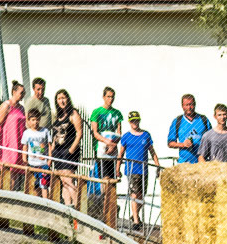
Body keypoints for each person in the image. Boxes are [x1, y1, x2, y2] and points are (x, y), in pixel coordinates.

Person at [118, 111, 161, 230]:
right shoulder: (126, 136)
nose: (135, 123)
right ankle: (136, 221)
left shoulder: (146, 135)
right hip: (131, 169)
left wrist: (157, 165)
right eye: (132, 121)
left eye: (136, 120)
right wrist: (117, 168)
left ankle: (134, 214)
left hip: (143, 170)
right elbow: (121, 153)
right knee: (134, 194)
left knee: (142, 196)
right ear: (129, 122)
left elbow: (152, 151)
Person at [88, 86, 123, 222]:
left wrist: (113, 144)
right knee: (104, 179)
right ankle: (104, 208)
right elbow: (95, 132)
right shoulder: (97, 112)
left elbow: (119, 132)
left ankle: (110, 208)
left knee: (112, 180)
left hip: (112, 149)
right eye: (108, 96)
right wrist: (107, 142)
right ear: (103, 97)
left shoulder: (117, 113)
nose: (110, 99)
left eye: (112, 97)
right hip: (102, 148)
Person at [48, 88, 83, 205]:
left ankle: (78, 207)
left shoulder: (73, 114)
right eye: (59, 99)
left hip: (68, 152)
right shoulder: (58, 116)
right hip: (58, 152)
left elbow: (79, 133)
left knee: (68, 180)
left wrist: (71, 149)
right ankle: (68, 207)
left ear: (67, 99)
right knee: (63, 182)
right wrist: (52, 150)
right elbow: (55, 135)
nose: (61, 101)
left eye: (63, 98)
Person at [0, 81, 27, 192]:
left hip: (19, 143)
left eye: (24, 93)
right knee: (8, 171)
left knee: (16, 172)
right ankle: (5, 195)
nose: (23, 95)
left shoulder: (21, 108)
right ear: (14, 92)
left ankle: (13, 195)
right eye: (21, 92)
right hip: (8, 143)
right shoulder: (6, 105)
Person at [167, 94, 208, 164]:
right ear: (182, 106)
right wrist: (183, 144)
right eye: (186, 105)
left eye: (191, 104)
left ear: (195, 104)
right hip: (184, 164)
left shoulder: (203, 119)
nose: (189, 107)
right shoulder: (177, 121)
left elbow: (211, 140)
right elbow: (170, 143)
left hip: (201, 164)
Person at [21, 109, 52, 196]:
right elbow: (25, 147)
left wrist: (49, 159)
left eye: (37, 119)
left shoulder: (45, 131)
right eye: (33, 120)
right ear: (28, 121)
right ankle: (37, 202)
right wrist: (24, 159)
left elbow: (50, 146)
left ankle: (45, 202)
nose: (35, 122)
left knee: (44, 185)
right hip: (32, 164)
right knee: (34, 186)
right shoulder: (26, 133)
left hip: (43, 164)